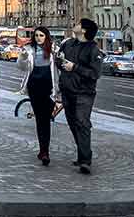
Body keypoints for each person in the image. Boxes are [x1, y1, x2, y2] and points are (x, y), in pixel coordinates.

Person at [58, 18, 103, 175]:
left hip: (84, 93)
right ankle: (82, 154)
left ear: (83, 30)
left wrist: (74, 67)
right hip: (67, 90)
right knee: (72, 123)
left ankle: (85, 161)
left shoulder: (93, 49)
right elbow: (58, 61)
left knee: (82, 123)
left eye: (78, 24)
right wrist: (61, 61)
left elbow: (95, 73)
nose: (74, 25)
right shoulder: (68, 44)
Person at [17, 27, 61, 166]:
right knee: (40, 120)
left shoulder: (54, 49)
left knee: (45, 120)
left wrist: (59, 91)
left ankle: (44, 150)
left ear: (46, 36)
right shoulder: (29, 49)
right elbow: (21, 67)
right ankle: (44, 151)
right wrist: (23, 57)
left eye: (41, 35)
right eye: (36, 35)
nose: (38, 38)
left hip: (49, 88)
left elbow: (59, 67)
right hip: (35, 87)